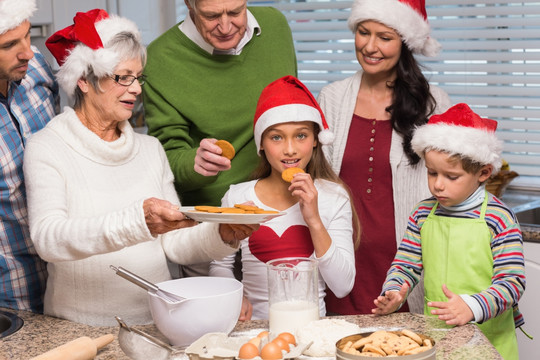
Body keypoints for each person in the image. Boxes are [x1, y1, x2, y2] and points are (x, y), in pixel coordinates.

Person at [22, 9, 258, 326]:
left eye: (138, 77)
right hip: (78, 328)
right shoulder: (47, 147)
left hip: (154, 322)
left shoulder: (150, 150)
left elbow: (174, 242)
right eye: (122, 77)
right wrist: (138, 220)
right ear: (84, 81)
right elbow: (49, 239)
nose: (135, 89)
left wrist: (221, 235)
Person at [143, 0, 297, 278]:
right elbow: (165, 159)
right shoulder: (159, 59)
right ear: (189, 5)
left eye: (236, 12)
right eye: (211, 16)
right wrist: (195, 162)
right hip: (212, 230)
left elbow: (290, 110)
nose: (226, 27)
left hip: (281, 215)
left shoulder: (275, 26)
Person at [317, 0, 452, 315]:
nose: (370, 46)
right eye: (363, 32)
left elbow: (453, 186)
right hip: (342, 264)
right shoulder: (331, 98)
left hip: (404, 269)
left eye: (385, 37)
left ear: (405, 43)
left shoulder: (433, 105)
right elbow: (317, 180)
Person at [372, 103, 525, 360]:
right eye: (432, 173)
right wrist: (395, 292)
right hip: (439, 336)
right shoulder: (422, 213)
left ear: (484, 173)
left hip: (491, 339)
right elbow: (405, 265)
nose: (438, 185)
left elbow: (512, 283)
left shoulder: (498, 218)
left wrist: (471, 306)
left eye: (451, 176)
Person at [210, 76, 359, 320]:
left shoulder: (334, 197)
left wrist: (314, 220)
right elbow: (220, 267)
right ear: (261, 144)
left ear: (315, 142)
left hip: (311, 330)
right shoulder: (237, 196)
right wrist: (233, 295)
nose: (290, 149)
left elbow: (342, 287)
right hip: (253, 332)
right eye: (276, 137)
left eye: (301, 135)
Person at [0, 0, 59, 312]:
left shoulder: (35, 68)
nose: (27, 52)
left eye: (28, 35)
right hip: (11, 295)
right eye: (10, 44)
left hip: (67, 279)